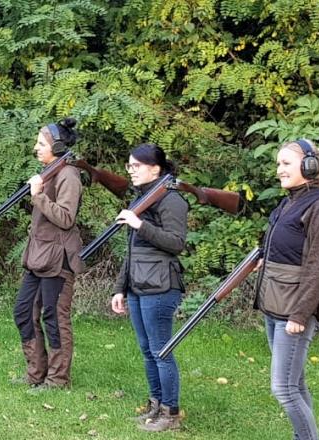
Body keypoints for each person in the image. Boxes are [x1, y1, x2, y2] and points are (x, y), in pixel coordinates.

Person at [255, 139, 319, 440]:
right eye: (278, 164)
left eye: (286, 164)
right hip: (275, 304)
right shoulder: (288, 202)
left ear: (310, 166)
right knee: (296, 383)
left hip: (293, 310)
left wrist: (300, 314)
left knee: (284, 389)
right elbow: (289, 249)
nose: (279, 170)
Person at [107, 143, 188, 432]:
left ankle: (171, 414)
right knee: (147, 350)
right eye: (129, 166)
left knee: (161, 351)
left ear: (155, 168)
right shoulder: (143, 198)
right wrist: (120, 289)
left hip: (162, 286)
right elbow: (132, 253)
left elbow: (177, 243)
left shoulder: (172, 200)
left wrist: (140, 225)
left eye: (136, 166)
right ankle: (155, 406)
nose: (131, 171)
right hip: (139, 285)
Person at [13, 118, 85, 390]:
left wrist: (38, 196)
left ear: (57, 146)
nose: (36, 148)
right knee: (23, 311)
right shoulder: (52, 171)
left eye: (41, 143)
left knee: (54, 317)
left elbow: (66, 218)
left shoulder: (68, 175)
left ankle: (57, 379)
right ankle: (36, 373)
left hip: (58, 258)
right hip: (40, 256)